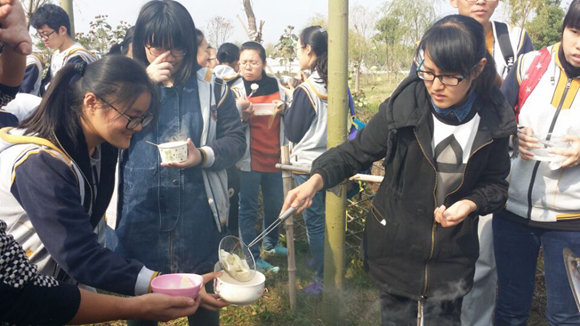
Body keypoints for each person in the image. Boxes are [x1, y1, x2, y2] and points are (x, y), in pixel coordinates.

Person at [283, 15, 515, 325]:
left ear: (477, 70)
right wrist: (316, 179)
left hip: (452, 256)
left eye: (448, 76)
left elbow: (496, 186)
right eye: (428, 72)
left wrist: (470, 204)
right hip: (395, 250)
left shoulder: (493, 119)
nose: (435, 86)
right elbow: (356, 151)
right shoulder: (405, 105)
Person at [113, 1, 245, 325]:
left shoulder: (214, 88)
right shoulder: (119, 84)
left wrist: (202, 155)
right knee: (143, 308)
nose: (168, 56)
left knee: (203, 306)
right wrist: (140, 84)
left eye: (178, 48)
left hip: (198, 215)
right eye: (158, 45)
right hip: (141, 215)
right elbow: (99, 132)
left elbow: (236, 141)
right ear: (142, 42)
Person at [446, 1, 534, 325]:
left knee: (483, 261)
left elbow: (530, 99)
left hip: (494, 167)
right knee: (438, 255)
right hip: (446, 163)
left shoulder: (516, 41)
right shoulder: (439, 38)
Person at [494, 1, 580, 324]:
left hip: (572, 222)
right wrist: (513, 136)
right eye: (575, 31)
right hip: (513, 212)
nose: (579, 45)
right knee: (510, 309)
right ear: (563, 27)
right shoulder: (529, 65)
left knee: (566, 317)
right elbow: (495, 121)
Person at [236, 41, 289, 273]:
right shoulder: (236, 88)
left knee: (275, 204)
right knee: (247, 208)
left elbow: (289, 107)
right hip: (249, 160)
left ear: (264, 64)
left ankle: (271, 243)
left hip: (275, 158)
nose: (248, 67)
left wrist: (284, 107)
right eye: (244, 62)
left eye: (253, 62)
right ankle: (251, 257)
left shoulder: (275, 84)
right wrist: (242, 116)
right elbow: (228, 124)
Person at [283, 25, 328, 296]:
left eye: (298, 48)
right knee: (329, 220)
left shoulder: (306, 88)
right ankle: (325, 260)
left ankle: (322, 278)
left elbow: (293, 131)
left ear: (308, 50)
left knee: (315, 222)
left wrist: (286, 108)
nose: (298, 53)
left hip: (307, 166)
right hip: (333, 162)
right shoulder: (337, 82)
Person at [31, 4, 96, 95]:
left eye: (45, 34)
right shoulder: (57, 55)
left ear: (62, 30)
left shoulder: (78, 57)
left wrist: (49, 88)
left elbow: (71, 90)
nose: (43, 39)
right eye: (40, 35)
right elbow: (44, 85)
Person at [212, 42, 243, 236]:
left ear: (216, 59)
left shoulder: (209, 81)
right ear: (236, 61)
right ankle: (232, 235)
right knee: (233, 196)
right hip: (231, 150)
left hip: (211, 147)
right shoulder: (238, 82)